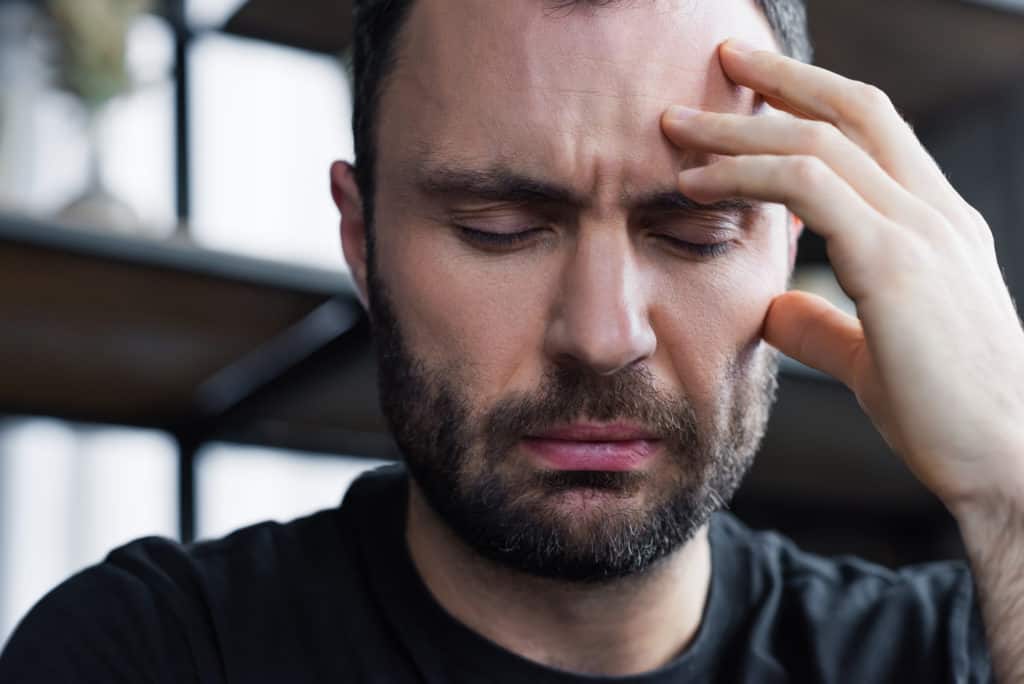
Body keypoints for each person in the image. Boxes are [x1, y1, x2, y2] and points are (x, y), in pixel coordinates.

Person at [2, 0, 1021, 680]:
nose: (602, 335)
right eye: (498, 229)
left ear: (791, 240)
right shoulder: (151, 654)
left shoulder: (946, 654)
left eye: (694, 233)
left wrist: (1012, 499)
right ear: (362, 241)